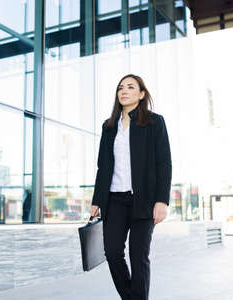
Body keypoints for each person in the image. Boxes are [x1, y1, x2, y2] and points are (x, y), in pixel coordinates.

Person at [89, 74, 172, 300]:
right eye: (120, 88)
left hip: (143, 200)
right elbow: (103, 167)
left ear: (141, 94)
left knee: (139, 257)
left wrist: (162, 201)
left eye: (130, 87)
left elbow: (164, 163)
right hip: (114, 200)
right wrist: (97, 199)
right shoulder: (108, 127)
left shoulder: (155, 122)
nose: (124, 91)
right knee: (113, 253)